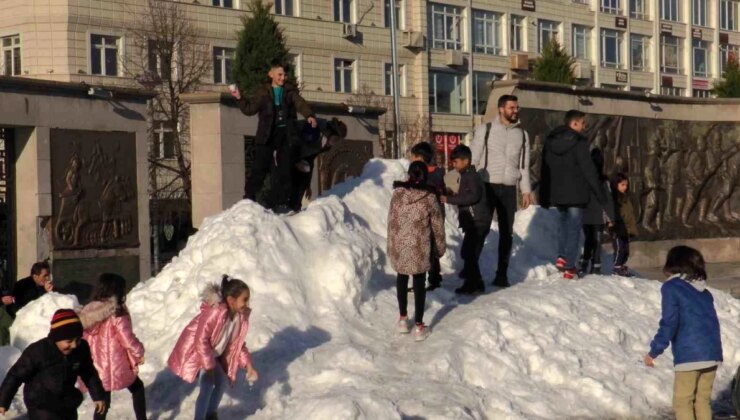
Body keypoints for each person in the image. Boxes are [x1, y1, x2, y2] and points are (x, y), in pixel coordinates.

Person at [644, 246, 722, 420]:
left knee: (682, 401)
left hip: (690, 355)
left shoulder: (672, 287)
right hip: (712, 353)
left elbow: (670, 322)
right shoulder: (705, 292)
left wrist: (654, 351)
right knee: (702, 401)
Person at [231, 60, 317, 214]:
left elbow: (300, 104)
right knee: (259, 168)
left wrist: (309, 115)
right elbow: (250, 109)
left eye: (284, 75)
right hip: (266, 135)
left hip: (285, 135)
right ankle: (249, 198)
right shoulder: (263, 92)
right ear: (271, 74)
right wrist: (239, 98)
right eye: (280, 74)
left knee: (285, 169)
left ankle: (282, 203)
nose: (283, 78)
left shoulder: (290, 92)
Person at [168, 275, 258, 420]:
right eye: (244, 299)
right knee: (208, 385)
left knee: (221, 383)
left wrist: (248, 365)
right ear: (231, 300)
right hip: (198, 354)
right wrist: (209, 367)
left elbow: (237, 345)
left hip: (212, 356)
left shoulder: (239, 317)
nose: (247, 304)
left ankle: (211, 415)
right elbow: (200, 340)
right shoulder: (215, 312)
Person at [539, 110, 611, 279]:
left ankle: (562, 257)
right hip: (577, 193)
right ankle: (570, 266)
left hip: (558, 192)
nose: (585, 126)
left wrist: (544, 193)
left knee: (563, 224)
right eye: (582, 123)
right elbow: (588, 170)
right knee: (573, 228)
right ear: (574, 123)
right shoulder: (579, 142)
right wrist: (600, 194)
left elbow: (544, 168)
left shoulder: (550, 141)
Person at [470, 95, 532, 288]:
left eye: (517, 107)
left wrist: (526, 190)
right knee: (481, 229)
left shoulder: (522, 134)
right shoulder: (485, 130)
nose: (516, 111)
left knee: (507, 233)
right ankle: (472, 275)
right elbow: (473, 159)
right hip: (487, 185)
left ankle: (501, 275)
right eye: (512, 107)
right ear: (501, 109)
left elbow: (524, 166)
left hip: (508, 188)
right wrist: (470, 184)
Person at [0, 309, 106, 419]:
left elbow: (88, 372)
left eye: (78, 339)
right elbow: (15, 375)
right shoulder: (38, 351)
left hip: (66, 402)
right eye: (69, 341)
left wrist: (98, 395)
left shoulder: (80, 348)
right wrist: (3, 400)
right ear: (56, 338)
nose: (74, 345)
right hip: (40, 403)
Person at [387, 161, 445, 341]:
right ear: (425, 176)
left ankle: (403, 319)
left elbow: (391, 221)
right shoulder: (429, 197)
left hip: (400, 246)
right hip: (420, 247)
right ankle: (419, 326)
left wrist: (392, 246)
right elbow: (437, 226)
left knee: (402, 277)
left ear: (409, 175)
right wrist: (440, 248)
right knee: (419, 281)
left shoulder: (397, 194)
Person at [78, 273, 146, 420]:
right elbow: (126, 338)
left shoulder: (88, 310)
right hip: (113, 364)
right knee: (137, 387)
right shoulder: (117, 312)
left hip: (94, 366)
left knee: (102, 402)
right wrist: (139, 351)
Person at [441, 145, 493, 294]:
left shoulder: (471, 176)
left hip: (478, 222)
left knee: (469, 253)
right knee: (469, 253)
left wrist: (449, 199)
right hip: (475, 221)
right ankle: (477, 282)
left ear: (465, 161)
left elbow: (473, 196)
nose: (453, 165)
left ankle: (472, 283)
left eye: (456, 162)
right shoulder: (467, 175)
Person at [289, 118, 347, 212]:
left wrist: (307, 185)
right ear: (330, 133)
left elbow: (309, 160)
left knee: (301, 182)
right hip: (287, 151)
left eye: (337, 142)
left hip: (301, 158)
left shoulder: (324, 145)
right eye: (334, 139)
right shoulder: (315, 129)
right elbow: (294, 140)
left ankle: (295, 208)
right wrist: (295, 161)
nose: (333, 144)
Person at [409, 142, 446, 291]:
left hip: (430, 215)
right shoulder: (435, 173)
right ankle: (431, 279)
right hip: (432, 214)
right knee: (429, 247)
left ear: (420, 158)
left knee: (428, 247)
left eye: (413, 156)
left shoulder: (427, 175)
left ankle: (433, 280)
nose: (411, 159)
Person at [577, 148, 615, 277]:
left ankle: (584, 263)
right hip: (598, 215)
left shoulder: (583, 178)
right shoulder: (603, 181)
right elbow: (607, 200)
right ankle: (595, 265)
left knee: (589, 240)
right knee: (597, 241)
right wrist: (611, 217)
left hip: (586, 214)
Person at [611, 173, 638, 277]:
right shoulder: (614, 198)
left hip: (627, 228)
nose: (625, 187)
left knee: (626, 250)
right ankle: (617, 266)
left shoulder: (626, 197)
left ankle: (622, 265)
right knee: (620, 248)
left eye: (626, 185)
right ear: (616, 184)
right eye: (622, 185)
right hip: (618, 227)